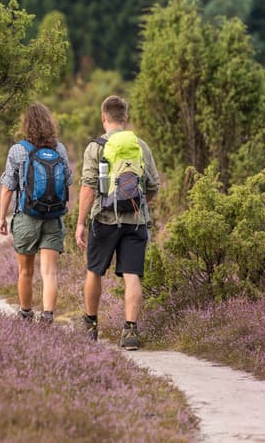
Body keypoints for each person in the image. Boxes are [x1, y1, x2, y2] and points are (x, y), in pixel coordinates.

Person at [75, 95, 159, 350]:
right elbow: (153, 185)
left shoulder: (95, 147)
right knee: (132, 275)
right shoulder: (140, 146)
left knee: (95, 270)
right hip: (135, 221)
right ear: (126, 118)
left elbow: (88, 187)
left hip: (103, 219)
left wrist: (80, 223)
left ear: (103, 118)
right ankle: (130, 331)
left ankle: (90, 326)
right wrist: (137, 204)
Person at [0, 103, 72, 324]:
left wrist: (2, 217)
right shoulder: (59, 149)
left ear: (26, 124)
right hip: (53, 217)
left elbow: (8, 187)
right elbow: (68, 180)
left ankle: (26, 314)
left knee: (25, 271)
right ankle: (47, 316)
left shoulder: (17, 150)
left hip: (26, 217)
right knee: (49, 272)